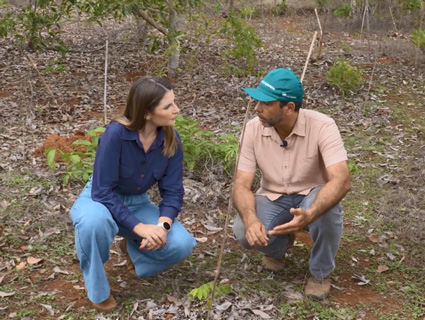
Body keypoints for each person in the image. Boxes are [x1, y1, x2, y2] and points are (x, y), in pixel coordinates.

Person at [70, 76, 197, 311]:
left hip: (137, 203)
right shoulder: (115, 134)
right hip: (100, 198)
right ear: (147, 112)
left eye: (174, 103)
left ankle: (133, 250)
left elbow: (173, 192)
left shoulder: (171, 139)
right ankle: (97, 290)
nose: (176, 110)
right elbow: (103, 191)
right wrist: (140, 228)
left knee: (181, 244)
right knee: (93, 223)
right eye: (168, 106)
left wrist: (162, 227)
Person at [232, 68, 351, 301]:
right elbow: (241, 184)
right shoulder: (253, 129)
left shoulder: (323, 126)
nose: (257, 108)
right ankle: (278, 248)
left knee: (327, 206)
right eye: (257, 101)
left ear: (288, 108)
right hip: (273, 197)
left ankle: (320, 272)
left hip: (311, 196)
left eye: (266, 103)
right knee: (243, 231)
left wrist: (311, 212)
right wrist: (251, 219)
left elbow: (342, 179)